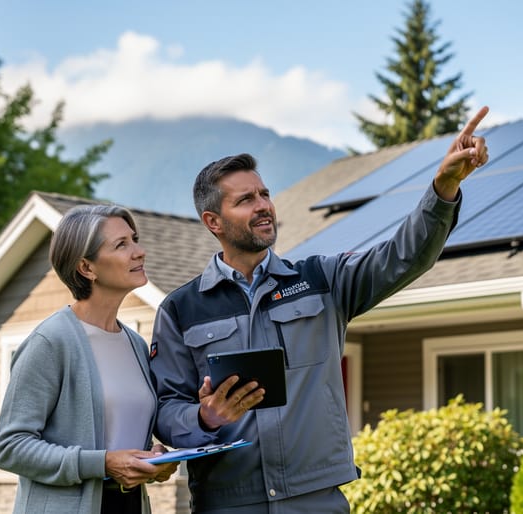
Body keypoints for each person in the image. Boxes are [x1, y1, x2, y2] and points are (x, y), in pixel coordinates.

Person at [149, 106, 490, 513]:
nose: (263, 206)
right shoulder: (181, 309)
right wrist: (204, 417)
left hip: (316, 500)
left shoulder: (323, 280)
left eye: (265, 194)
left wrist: (444, 186)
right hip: (228, 503)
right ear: (213, 221)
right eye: (245, 200)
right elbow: (166, 411)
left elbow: (404, 256)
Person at [0, 204, 179, 514]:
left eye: (134, 239)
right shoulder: (50, 342)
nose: (139, 251)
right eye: (122, 245)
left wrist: (154, 460)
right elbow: (9, 448)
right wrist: (102, 462)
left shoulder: (135, 344)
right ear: (87, 268)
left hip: (131, 505)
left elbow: (119, 436)